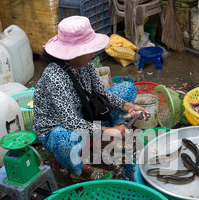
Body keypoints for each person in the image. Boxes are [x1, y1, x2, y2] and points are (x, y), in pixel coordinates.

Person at [33, 16, 146, 181]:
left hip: (83, 112)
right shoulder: (54, 75)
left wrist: (129, 106)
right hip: (58, 127)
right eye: (88, 49)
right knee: (63, 138)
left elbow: (102, 93)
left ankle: (109, 142)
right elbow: (70, 122)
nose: (93, 52)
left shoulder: (85, 63)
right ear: (72, 53)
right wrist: (107, 130)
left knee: (127, 89)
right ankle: (80, 170)